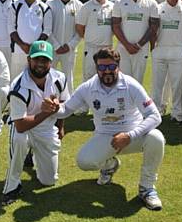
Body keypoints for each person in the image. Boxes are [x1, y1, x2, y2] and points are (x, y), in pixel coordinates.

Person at [42, 48, 165, 211]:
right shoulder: (88, 87)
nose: (106, 71)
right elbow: (66, 110)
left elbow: (155, 116)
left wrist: (129, 136)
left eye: (111, 67)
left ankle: (147, 189)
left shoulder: (131, 85)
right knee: (84, 162)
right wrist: (55, 108)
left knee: (156, 138)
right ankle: (109, 165)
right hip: (106, 137)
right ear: (96, 68)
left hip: (133, 137)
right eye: (101, 67)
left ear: (118, 66)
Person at [1, 40, 68, 205]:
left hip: (46, 129)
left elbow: (65, 104)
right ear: (29, 59)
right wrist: (46, 112)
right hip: (23, 128)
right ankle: (12, 186)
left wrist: (60, 127)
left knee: (49, 181)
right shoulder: (18, 87)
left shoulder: (60, 79)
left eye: (45, 60)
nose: (40, 64)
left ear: (51, 62)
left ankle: (32, 155)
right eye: (36, 59)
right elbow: (20, 125)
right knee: (19, 141)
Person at [151, 0, 182, 122]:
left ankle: (177, 112)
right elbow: (152, 31)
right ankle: (156, 111)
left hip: (178, 50)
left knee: (177, 85)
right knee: (157, 84)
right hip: (161, 49)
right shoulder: (158, 8)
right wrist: (153, 49)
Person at [111, 0, 160, 83]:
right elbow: (115, 26)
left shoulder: (152, 3)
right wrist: (127, 45)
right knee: (122, 81)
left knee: (138, 82)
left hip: (141, 49)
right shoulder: (120, 2)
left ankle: (137, 101)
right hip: (123, 48)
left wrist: (138, 45)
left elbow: (154, 26)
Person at [7, 0, 53, 79]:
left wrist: (34, 47)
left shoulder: (45, 8)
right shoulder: (15, 6)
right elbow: (11, 28)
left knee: (35, 79)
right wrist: (22, 45)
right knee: (16, 80)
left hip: (37, 52)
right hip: (18, 50)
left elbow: (47, 30)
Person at [47, 0, 83, 91]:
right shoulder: (50, 3)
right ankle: (47, 100)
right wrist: (56, 45)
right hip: (52, 48)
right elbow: (47, 28)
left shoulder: (79, 5)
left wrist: (70, 45)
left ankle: (69, 104)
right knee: (48, 76)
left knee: (68, 77)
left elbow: (80, 30)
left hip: (70, 50)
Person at [75, 0, 114, 81]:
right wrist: (90, 38)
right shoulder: (86, 7)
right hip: (91, 48)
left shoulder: (112, 7)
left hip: (107, 48)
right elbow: (79, 27)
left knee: (106, 76)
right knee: (89, 78)